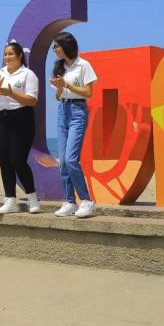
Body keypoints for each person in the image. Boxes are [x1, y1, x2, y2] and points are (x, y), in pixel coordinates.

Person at [0, 40, 41, 214]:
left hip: (21, 118)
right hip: (0, 119)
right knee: (4, 161)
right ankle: (10, 200)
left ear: (20, 56)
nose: (7, 57)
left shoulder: (28, 74)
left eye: (11, 54)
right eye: (5, 54)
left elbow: (32, 100)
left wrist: (11, 93)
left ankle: (32, 198)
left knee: (18, 160)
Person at [50, 32, 97, 218]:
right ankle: (70, 201)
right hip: (63, 110)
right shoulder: (58, 67)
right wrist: (60, 87)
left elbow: (88, 92)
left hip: (78, 110)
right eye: (54, 47)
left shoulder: (83, 65)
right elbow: (57, 96)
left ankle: (87, 200)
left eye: (57, 46)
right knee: (63, 162)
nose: (55, 50)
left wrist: (67, 86)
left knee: (71, 159)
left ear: (66, 45)